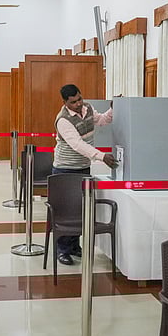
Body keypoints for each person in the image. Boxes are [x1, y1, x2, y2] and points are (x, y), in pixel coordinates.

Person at [52, 84, 118, 266]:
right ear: (65, 102)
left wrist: (112, 109)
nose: (78, 104)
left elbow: (102, 120)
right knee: (66, 210)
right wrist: (101, 156)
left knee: (80, 209)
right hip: (65, 168)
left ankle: (74, 246)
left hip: (82, 167)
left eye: (79, 98)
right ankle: (63, 250)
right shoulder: (63, 120)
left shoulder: (88, 108)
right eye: (73, 102)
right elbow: (78, 145)